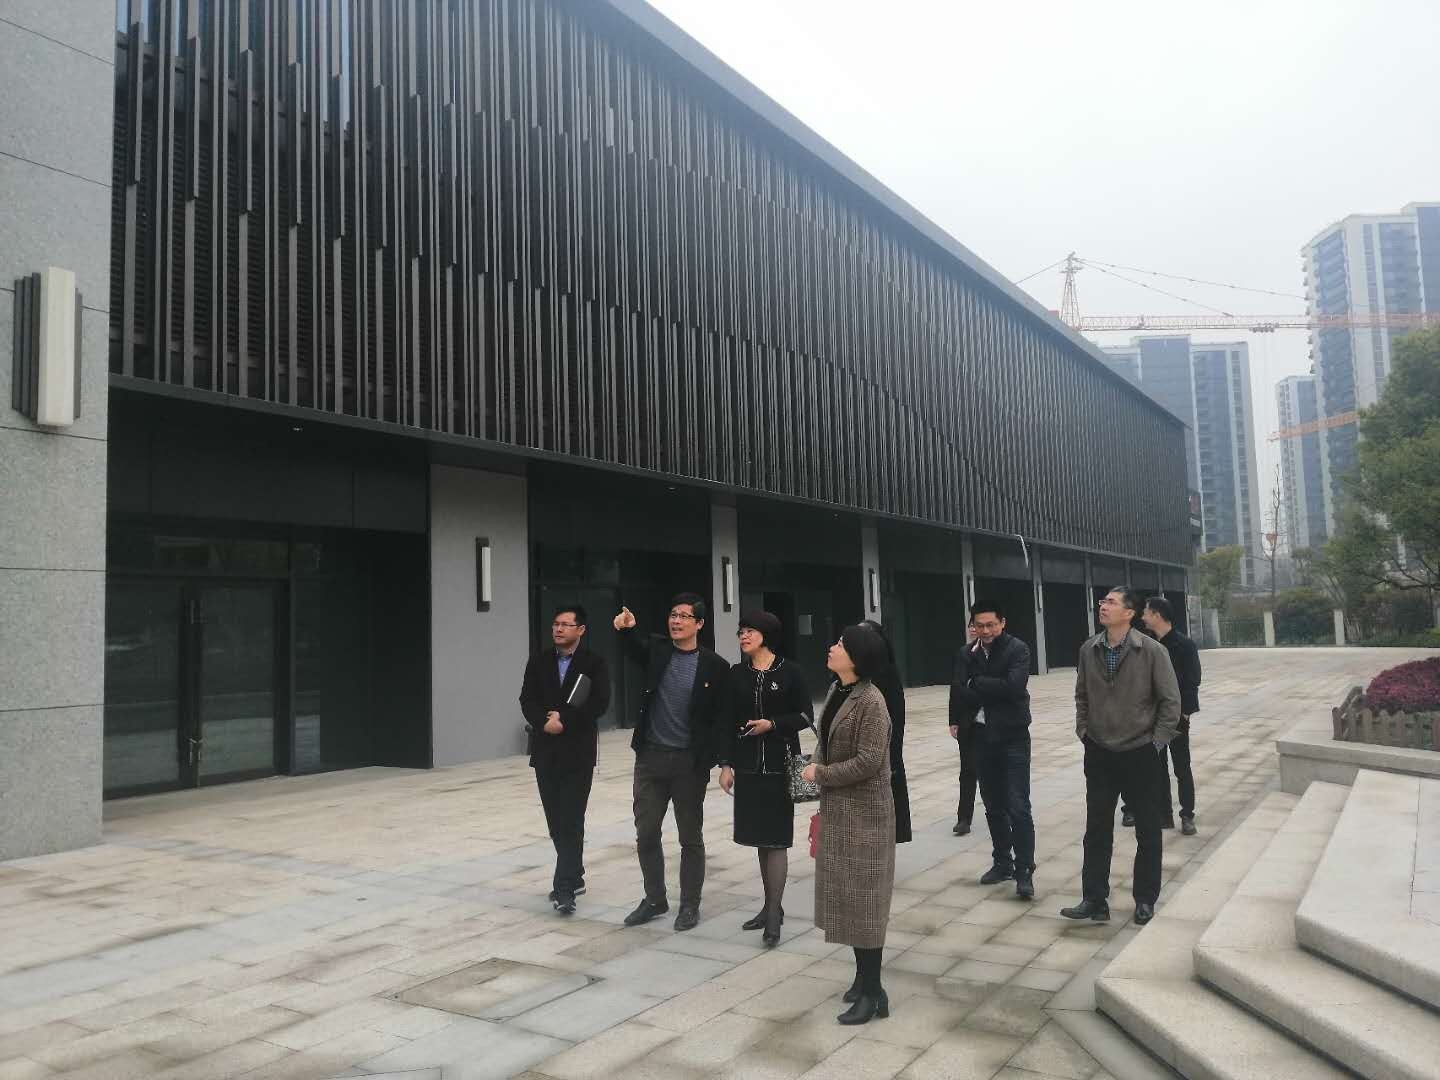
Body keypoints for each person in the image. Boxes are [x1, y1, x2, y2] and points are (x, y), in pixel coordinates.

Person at [1062, 585, 1182, 927]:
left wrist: (1156, 743)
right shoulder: (1089, 649)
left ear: (1129, 613)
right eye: (1102, 601)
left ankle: (1144, 899)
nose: (1103, 606)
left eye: (1111, 602)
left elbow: (1171, 702)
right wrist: (1084, 731)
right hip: (1099, 751)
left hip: (1140, 752)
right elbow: (1081, 696)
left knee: (1148, 829)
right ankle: (1094, 899)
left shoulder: (1152, 651)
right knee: (1097, 828)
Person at [614, 594, 729, 932]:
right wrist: (625, 630)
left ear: (699, 624)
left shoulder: (715, 666)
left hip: (688, 763)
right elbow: (633, 649)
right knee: (646, 832)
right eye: (673, 614)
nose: (676, 621)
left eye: (684, 616)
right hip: (650, 758)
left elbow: (721, 719)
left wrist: (725, 762)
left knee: (689, 836)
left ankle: (690, 905)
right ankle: (654, 899)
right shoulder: (658, 650)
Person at [800, 624, 896, 1025]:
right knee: (850, 901)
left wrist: (820, 773)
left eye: (840, 644)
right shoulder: (838, 691)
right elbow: (825, 739)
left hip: (866, 816)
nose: (831, 647)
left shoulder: (872, 701)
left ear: (857, 656)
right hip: (840, 811)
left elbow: (869, 761)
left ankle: (874, 993)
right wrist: (816, 765)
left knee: (866, 904)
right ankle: (863, 979)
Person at [717, 611, 814, 946]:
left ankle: (773, 915)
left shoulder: (791, 671)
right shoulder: (735, 674)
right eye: (741, 631)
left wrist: (772, 724)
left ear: (767, 635)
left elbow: (805, 716)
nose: (743, 636)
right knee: (760, 839)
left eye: (750, 631)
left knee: (777, 840)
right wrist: (725, 765)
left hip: (780, 766)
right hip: (747, 768)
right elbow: (725, 720)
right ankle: (771, 904)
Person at [519, 604, 612, 915]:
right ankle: (576, 873)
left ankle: (564, 889)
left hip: (578, 752)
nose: (558, 629)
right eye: (555, 624)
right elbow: (527, 698)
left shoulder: (594, 663)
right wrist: (543, 722)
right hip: (545, 750)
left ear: (580, 630)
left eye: (566, 624)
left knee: (571, 818)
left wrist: (565, 720)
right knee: (556, 821)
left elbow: (600, 702)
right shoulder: (539, 661)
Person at [949, 602, 1036, 899]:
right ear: (972, 625)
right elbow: (959, 689)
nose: (985, 631)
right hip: (980, 736)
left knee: (1018, 805)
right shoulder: (966, 653)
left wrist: (976, 682)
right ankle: (1002, 862)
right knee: (993, 804)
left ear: (1002, 623)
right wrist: (981, 690)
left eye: (991, 625)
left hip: (1012, 736)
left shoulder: (1017, 649)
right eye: (979, 625)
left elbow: (1014, 687)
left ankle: (1024, 870)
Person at [1142, 596, 1202, 835]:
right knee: (1157, 767)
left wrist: (1185, 713)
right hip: (1153, 718)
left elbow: (1193, 681)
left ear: (1157, 615)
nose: (1143, 617)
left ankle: (1187, 815)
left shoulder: (1185, 645)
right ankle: (1164, 815)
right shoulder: (1147, 645)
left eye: (1146, 612)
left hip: (1176, 718)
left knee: (1181, 767)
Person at [861, 619, 912, 844]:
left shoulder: (887, 672)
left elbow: (896, 719)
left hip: (883, 748)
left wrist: (891, 752)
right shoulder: (850, 673)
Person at [947, 618, 980, 836]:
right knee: (967, 770)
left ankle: (1003, 810)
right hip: (968, 720)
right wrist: (953, 720)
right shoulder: (963, 653)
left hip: (994, 721)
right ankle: (964, 818)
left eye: (978, 625)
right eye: (971, 626)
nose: (974, 629)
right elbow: (956, 687)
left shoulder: (1000, 652)